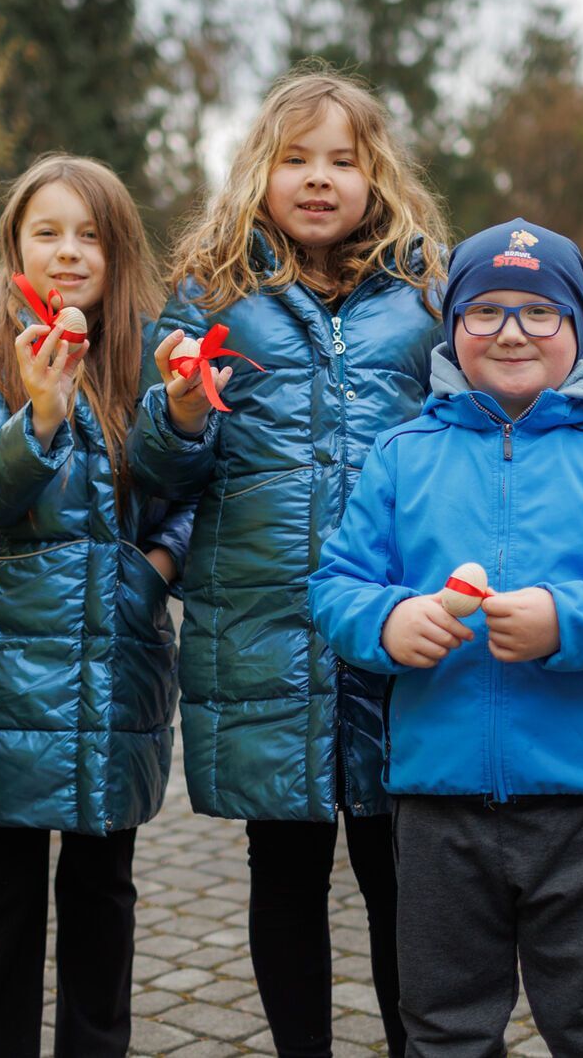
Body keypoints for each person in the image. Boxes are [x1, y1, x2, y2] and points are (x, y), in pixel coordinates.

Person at [313, 218, 583, 1055]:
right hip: (435, 802)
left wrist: (565, 620)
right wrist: (387, 620)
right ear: (453, 329)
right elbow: (335, 586)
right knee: (444, 1031)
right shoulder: (402, 453)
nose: (510, 331)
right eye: (486, 310)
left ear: (577, 328)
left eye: (539, 313)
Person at [130, 67, 448, 1057]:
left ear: (376, 174)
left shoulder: (425, 297)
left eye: (341, 161)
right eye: (293, 158)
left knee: (403, 873)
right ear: (257, 172)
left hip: (396, 626)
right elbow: (155, 469)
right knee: (285, 870)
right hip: (262, 627)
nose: (317, 179)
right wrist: (180, 409)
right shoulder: (211, 295)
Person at [0, 156, 194, 1057]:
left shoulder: (151, 359)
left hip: (121, 659)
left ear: (119, 255)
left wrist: (158, 565)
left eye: (90, 235)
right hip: (9, 662)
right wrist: (38, 417)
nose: (69, 252)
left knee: (102, 886)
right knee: (1, 884)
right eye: (47, 232)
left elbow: (192, 486)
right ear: (14, 250)